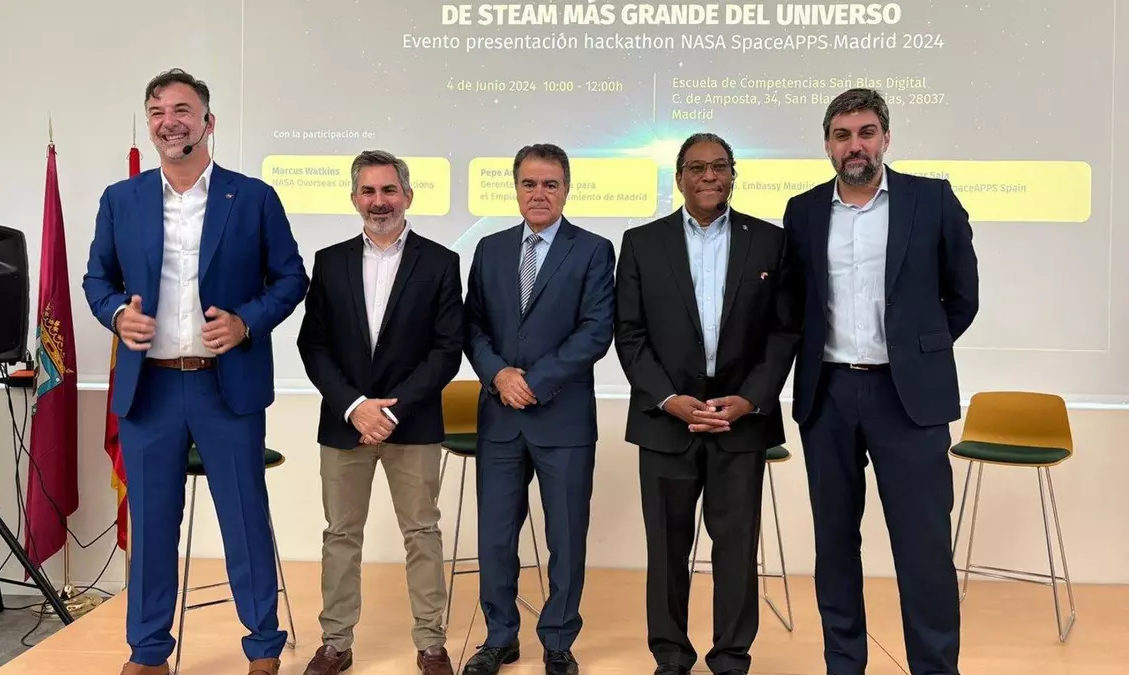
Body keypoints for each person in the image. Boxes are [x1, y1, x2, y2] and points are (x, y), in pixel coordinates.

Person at [82, 68, 309, 675]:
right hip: (149, 388)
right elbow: (97, 279)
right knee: (153, 526)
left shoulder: (252, 196)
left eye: (182, 110)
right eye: (157, 111)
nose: (169, 122)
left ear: (208, 122)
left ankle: (263, 646)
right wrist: (116, 315)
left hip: (224, 387)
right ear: (149, 124)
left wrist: (246, 322)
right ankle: (149, 651)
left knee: (244, 518)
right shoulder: (121, 199)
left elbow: (291, 278)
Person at [782, 88, 979, 675]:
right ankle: (844, 664)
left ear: (886, 138)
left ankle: (934, 667)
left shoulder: (932, 199)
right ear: (827, 145)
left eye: (866, 132)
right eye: (842, 135)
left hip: (908, 399)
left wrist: (917, 352)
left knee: (923, 549)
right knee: (835, 546)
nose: (855, 145)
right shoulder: (804, 210)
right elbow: (793, 302)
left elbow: (962, 295)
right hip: (829, 395)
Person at [613, 133, 802, 675]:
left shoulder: (770, 242)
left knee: (736, 549)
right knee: (667, 549)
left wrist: (751, 399)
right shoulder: (642, 243)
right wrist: (669, 398)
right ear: (679, 178)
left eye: (720, 167)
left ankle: (731, 658)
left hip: (739, 424)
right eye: (697, 168)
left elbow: (785, 330)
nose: (709, 177)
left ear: (733, 175)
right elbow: (629, 334)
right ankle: (671, 656)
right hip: (666, 422)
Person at [295, 150, 464, 675]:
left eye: (389, 190)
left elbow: (446, 350)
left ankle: (431, 644)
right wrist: (354, 407)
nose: (379, 201)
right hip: (344, 422)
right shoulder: (329, 262)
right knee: (341, 535)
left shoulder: (440, 262)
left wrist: (391, 412)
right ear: (354, 199)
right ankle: (336, 644)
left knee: (422, 533)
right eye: (368, 191)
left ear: (407, 196)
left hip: (413, 423)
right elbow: (313, 345)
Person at [461, 143, 615, 675]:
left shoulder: (593, 250)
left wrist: (534, 381)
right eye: (529, 183)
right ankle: (500, 636)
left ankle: (558, 640)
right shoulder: (490, 248)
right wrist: (498, 375)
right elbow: (472, 325)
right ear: (516, 188)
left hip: (562, 419)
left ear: (567, 189)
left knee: (566, 538)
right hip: (500, 417)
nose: (540, 193)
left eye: (551, 184)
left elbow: (596, 330)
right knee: (496, 536)